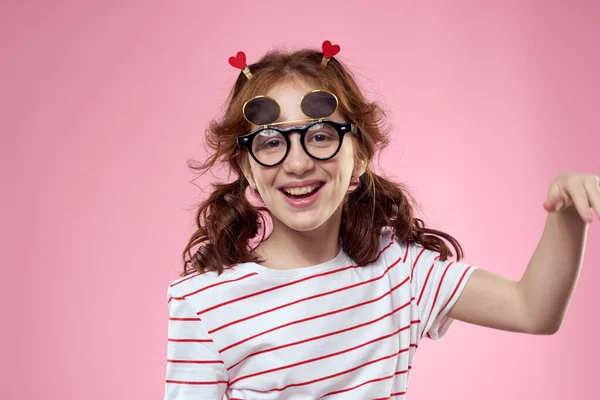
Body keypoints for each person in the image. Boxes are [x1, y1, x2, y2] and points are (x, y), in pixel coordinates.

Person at [163, 41, 598, 399]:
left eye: (320, 136)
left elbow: (533, 309)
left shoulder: (399, 270)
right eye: (272, 142)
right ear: (246, 167)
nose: (297, 163)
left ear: (361, 157)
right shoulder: (205, 303)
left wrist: (567, 214)